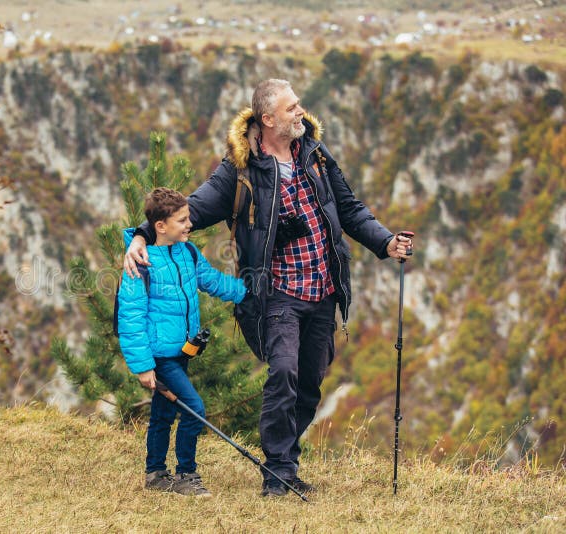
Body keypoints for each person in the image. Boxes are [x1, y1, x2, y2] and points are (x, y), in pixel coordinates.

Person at [124, 79, 413, 497]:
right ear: (268, 118)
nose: (301, 112)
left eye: (299, 104)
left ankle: (287, 462)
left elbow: (348, 207)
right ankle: (278, 474)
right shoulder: (238, 171)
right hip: (276, 294)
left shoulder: (314, 153)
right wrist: (140, 236)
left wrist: (385, 241)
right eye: (292, 107)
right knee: (284, 374)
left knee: (310, 382)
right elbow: (191, 210)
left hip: (322, 289)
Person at [117, 187, 248, 497]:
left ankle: (155, 474)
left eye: (188, 218)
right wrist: (143, 366)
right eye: (182, 220)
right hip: (160, 356)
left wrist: (249, 292)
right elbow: (131, 318)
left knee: (163, 414)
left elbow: (211, 281)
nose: (190, 224)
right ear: (160, 226)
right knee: (194, 408)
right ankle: (186, 475)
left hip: (182, 351)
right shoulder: (140, 263)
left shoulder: (187, 252)